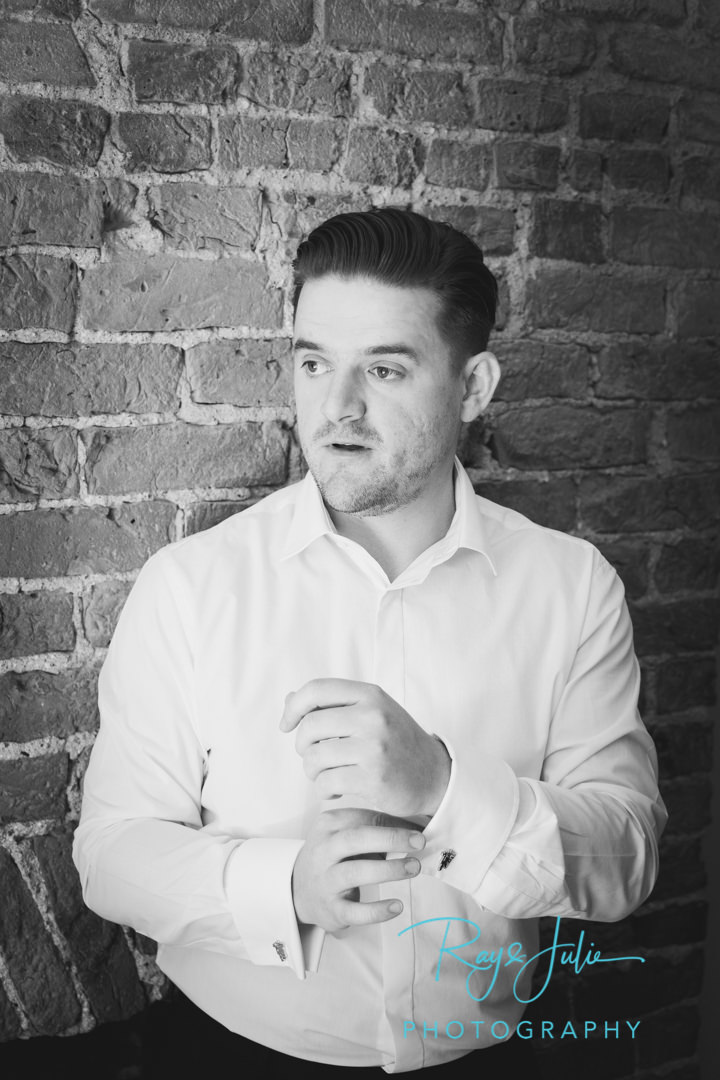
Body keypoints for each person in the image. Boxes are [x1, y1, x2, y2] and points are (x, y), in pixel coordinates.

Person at [73, 208, 666, 1077]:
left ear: (473, 387)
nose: (337, 407)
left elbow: (629, 859)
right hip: (235, 1056)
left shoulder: (570, 587)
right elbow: (112, 855)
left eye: (384, 368)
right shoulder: (192, 585)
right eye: (315, 363)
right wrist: (287, 889)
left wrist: (446, 789)